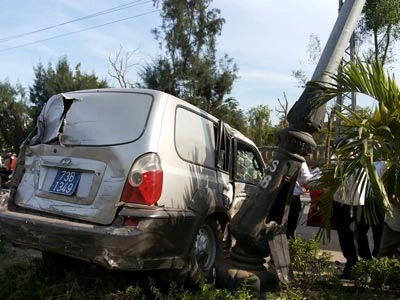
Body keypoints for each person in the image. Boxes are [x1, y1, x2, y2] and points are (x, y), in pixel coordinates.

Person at [286, 161, 313, 239]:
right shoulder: (299, 161)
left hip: (276, 198)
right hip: (292, 198)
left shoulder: (278, 157)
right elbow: (307, 180)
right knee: (290, 229)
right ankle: (289, 246)